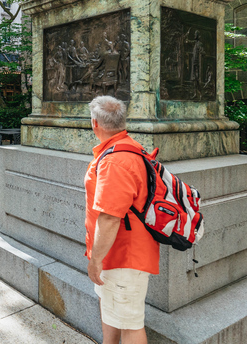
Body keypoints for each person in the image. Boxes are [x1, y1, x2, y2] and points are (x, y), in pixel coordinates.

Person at [84, 95, 159, 344]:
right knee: (112, 309)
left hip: (123, 255)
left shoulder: (115, 160)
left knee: (130, 323)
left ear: (95, 124)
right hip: (118, 251)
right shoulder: (128, 147)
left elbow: (109, 218)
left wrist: (95, 261)